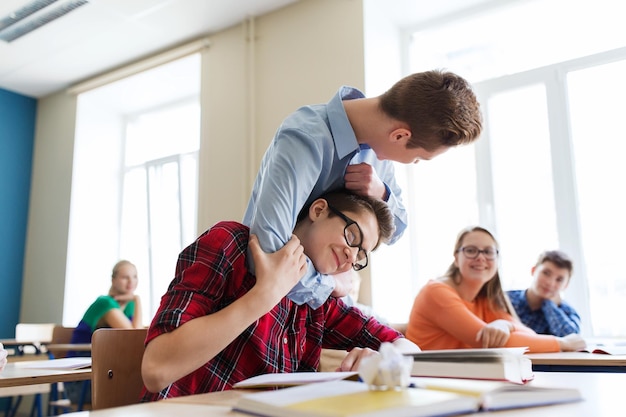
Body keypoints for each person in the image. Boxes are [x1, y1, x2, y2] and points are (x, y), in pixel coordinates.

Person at [141, 191, 421, 400]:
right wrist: (265, 294)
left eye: (361, 255)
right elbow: (156, 369)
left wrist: (386, 357)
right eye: (352, 236)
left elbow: (410, 349)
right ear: (319, 210)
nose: (351, 255)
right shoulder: (232, 243)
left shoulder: (318, 298)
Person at [243, 70, 483, 310]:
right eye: (419, 157)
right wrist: (329, 284)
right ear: (400, 135)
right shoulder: (305, 138)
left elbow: (396, 230)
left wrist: (382, 194)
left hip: (317, 309)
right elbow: (267, 253)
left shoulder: (379, 154)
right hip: (263, 305)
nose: (413, 162)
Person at [405, 226, 586, 353]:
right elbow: (491, 341)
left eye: (488, 251)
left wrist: (505, 324)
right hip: (428, 382)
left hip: (459, 379)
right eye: (471, 250)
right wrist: (562, 343)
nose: (480, 257)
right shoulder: (436, 292)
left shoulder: (483, 298)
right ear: (456, 257)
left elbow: (527, 333)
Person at [66, 260, 143, 404]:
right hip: (80, 383)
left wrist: (134, 301)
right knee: (140, 391)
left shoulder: (129, 306)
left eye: (134, 276)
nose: (131, 282)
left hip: (103, 377)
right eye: (125, 277)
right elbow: (135, 335)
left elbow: (136, 338)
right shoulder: (105, 303)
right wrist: (138, 299)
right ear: (113, 280)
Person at [507, 250, 581, 337]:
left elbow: (572, 338)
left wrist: (549, 305)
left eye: (559, 280)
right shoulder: (506, 299)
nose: (550, 283)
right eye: (546, 273)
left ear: (566, 286)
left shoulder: (567, 312)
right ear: (533, 271)